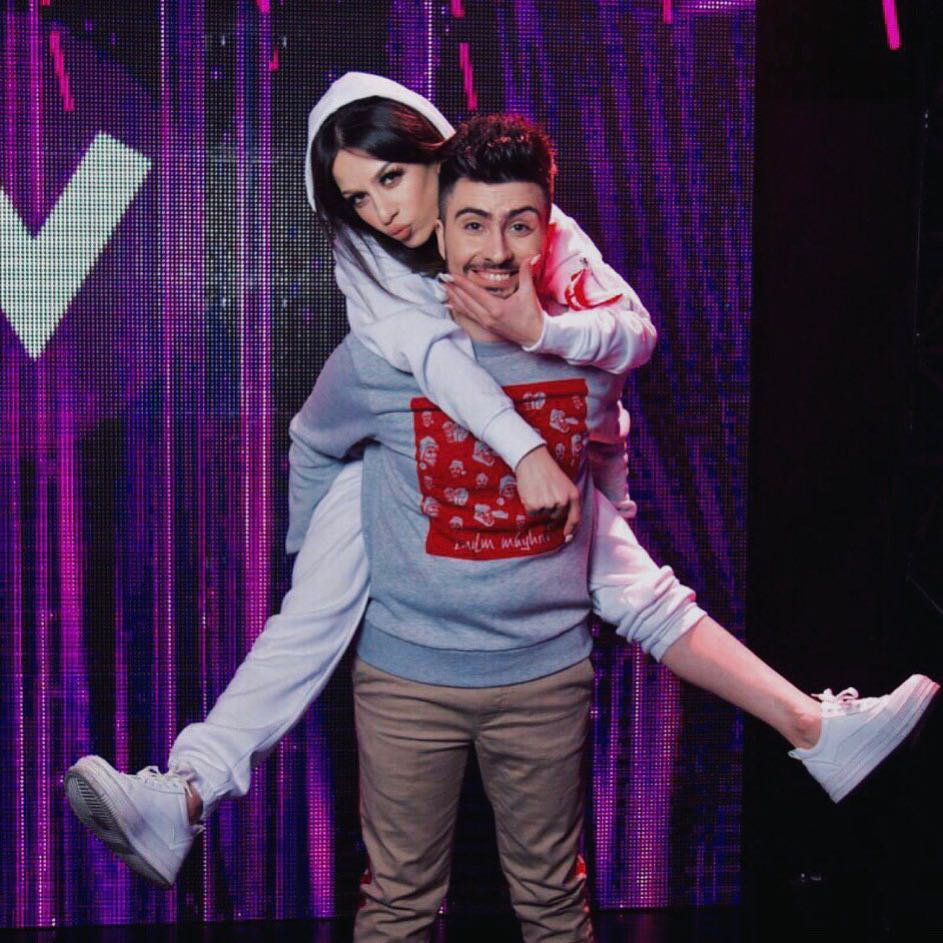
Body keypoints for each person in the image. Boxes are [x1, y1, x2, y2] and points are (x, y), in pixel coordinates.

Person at [64, 75, 938, 902]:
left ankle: (812, 727)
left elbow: (627, 342)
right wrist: (320, 537)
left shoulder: (532, 227)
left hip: (538, 482)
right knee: (315, 610)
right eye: (358, 198)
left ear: (436, 151)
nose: (383, 212)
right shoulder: (366, 265)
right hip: (410, 468)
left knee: (643, 594)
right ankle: (186, 787)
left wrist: (545, 336)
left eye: (392, 178)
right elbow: (429, 366)